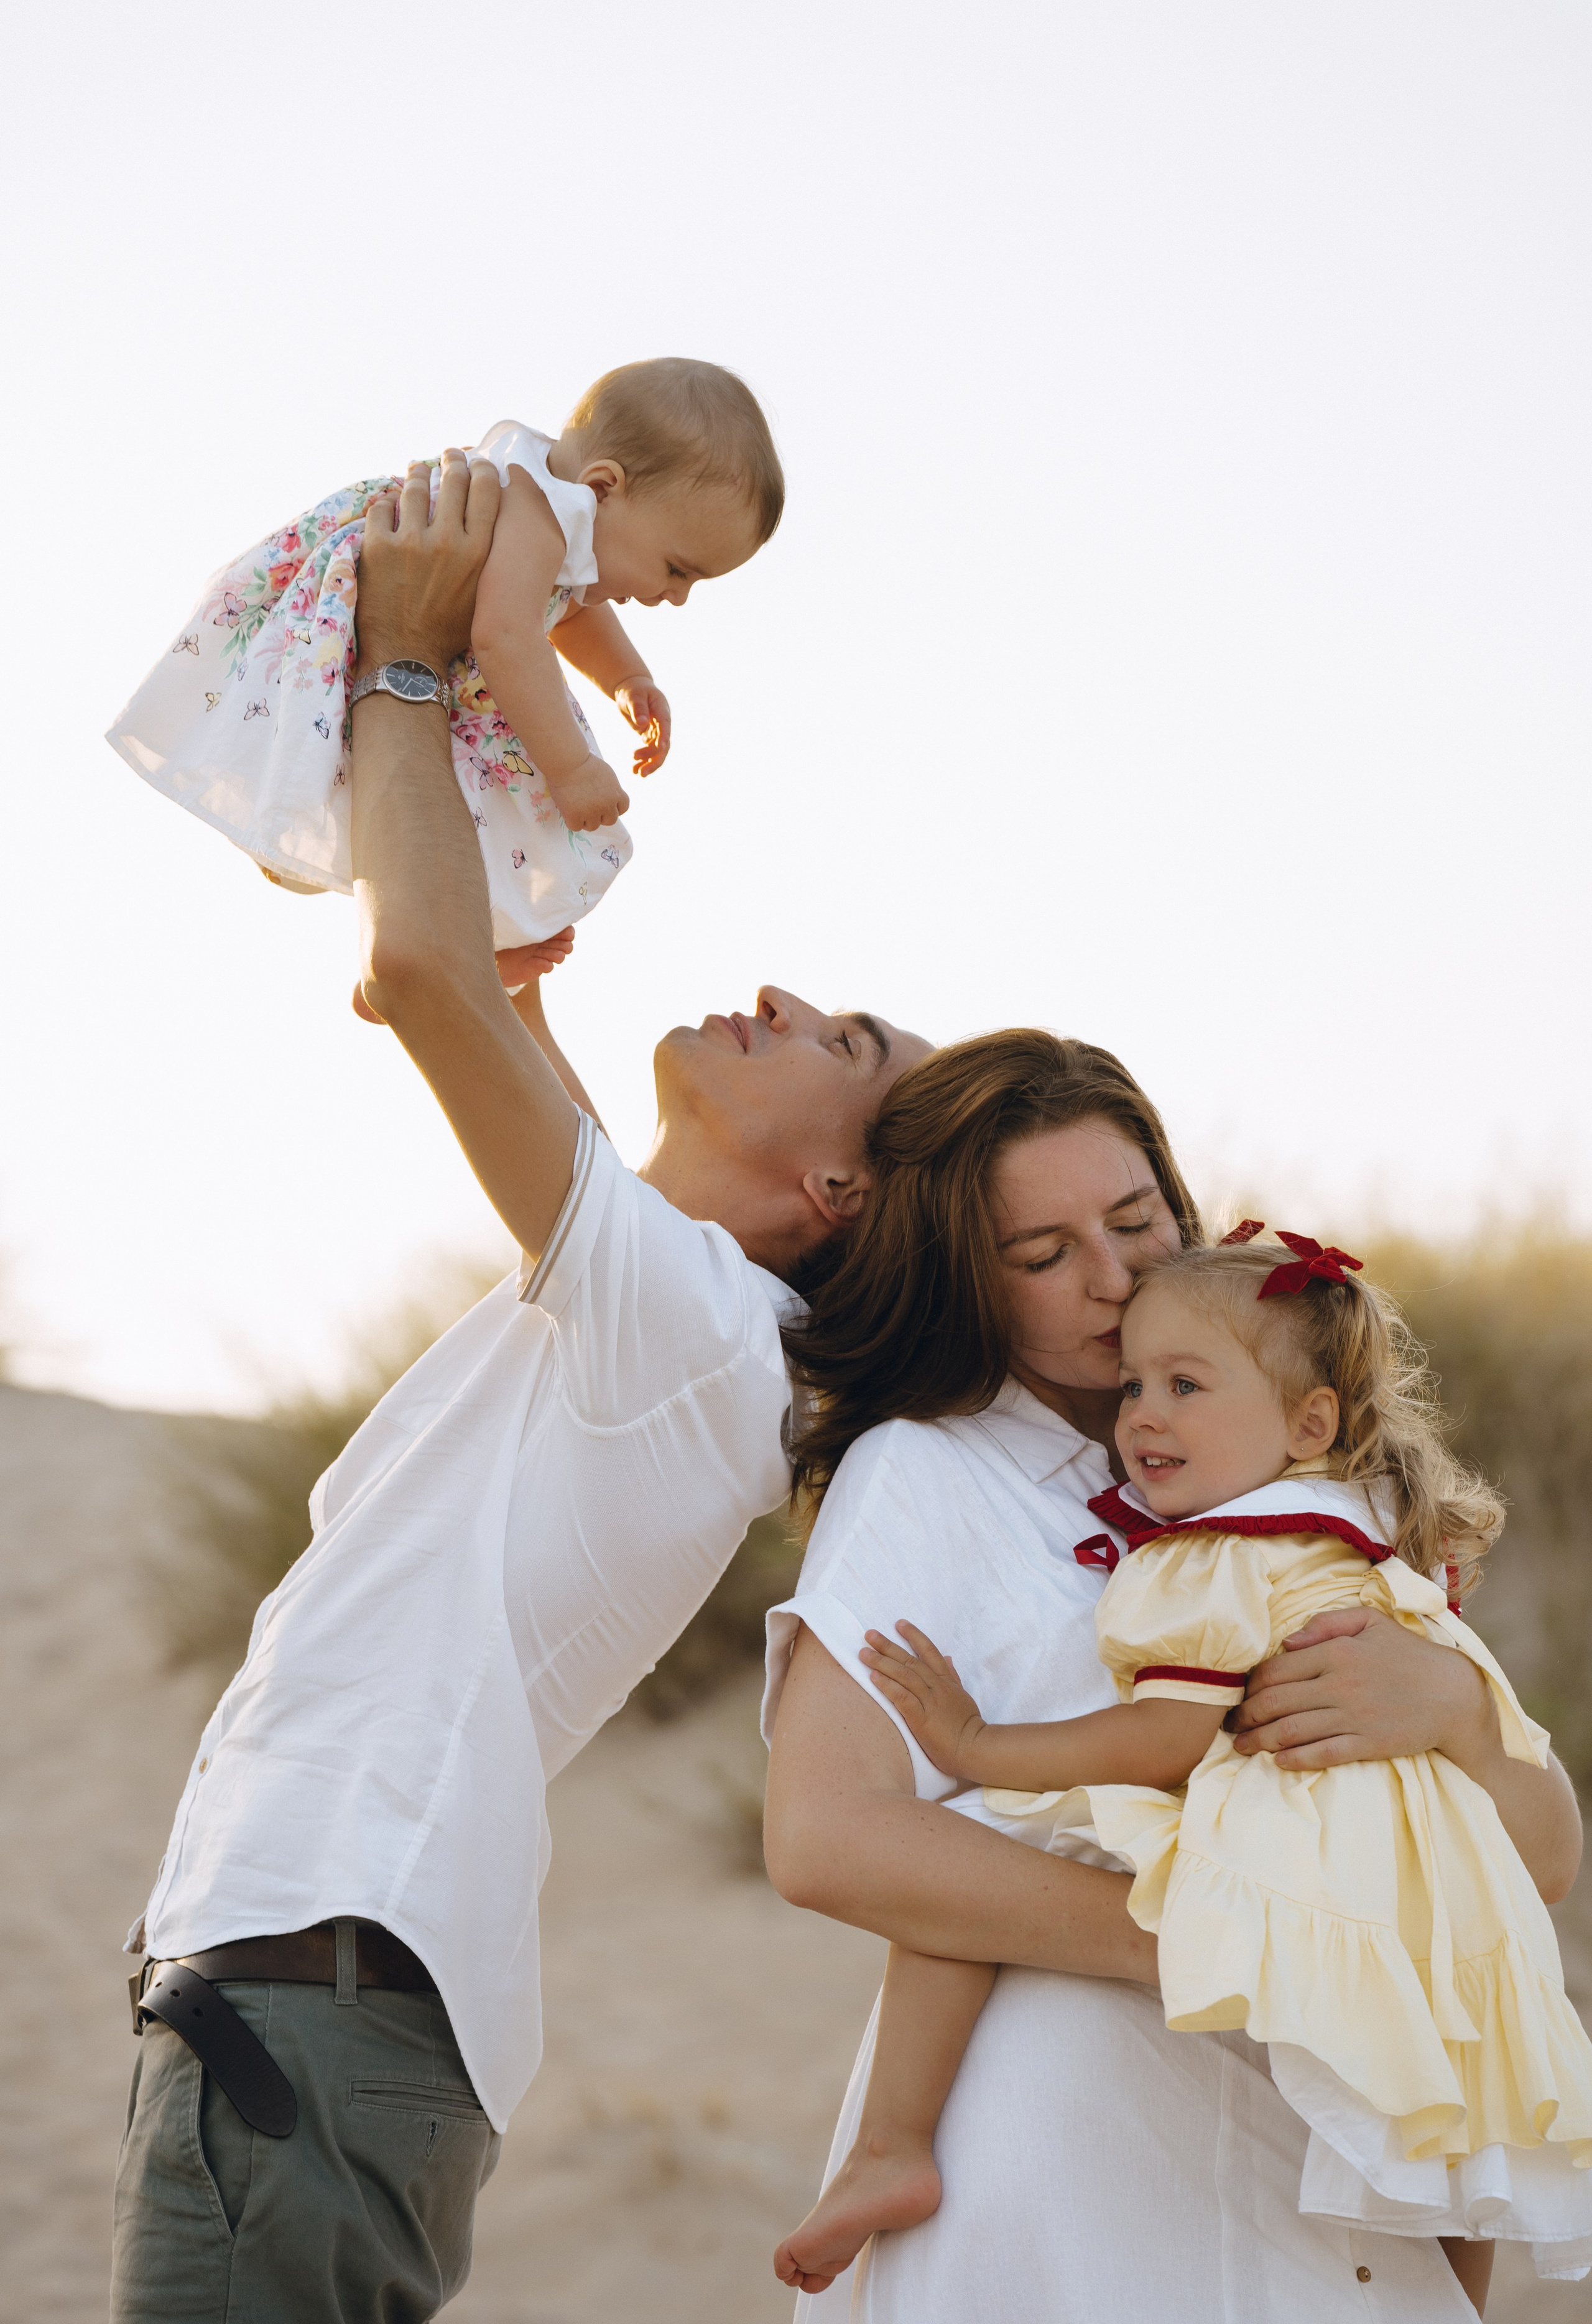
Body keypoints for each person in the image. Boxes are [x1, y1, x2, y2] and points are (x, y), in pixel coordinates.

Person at [109, 451, 930, 2324]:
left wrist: (407, 664)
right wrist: (516, 991)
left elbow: (412, 965)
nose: (789, 995)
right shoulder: (679, 1329)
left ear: (840, 1192)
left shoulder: (702, 1334)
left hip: (318, 1982)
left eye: (846, 1040)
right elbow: (450, 980)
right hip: (315, 1989)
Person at [762, 1029, 1584, 2323]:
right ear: (972, 1283)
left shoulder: (1326, 1501)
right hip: (1069, 2158)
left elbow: (1529, 1869)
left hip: (1339, 2153)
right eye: (1041, 1256)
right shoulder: (934, 1475)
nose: (1109, 1278)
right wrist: (1229, 1945)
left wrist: (1459, 1720)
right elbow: (824, 1839)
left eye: (1136, 1220)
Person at [106, 357, 782, 951]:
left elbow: (571, 612)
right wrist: (572, 769)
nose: (678, 597)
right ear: (604, 487)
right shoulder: (536, 514)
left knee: (450, 823)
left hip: (414, 646)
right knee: (495, 812)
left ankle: (458, 951)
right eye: (676, 568)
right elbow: (508, 636)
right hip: (370, 620)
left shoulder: (559, 521)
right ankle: (437, 951)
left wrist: (627, 678)